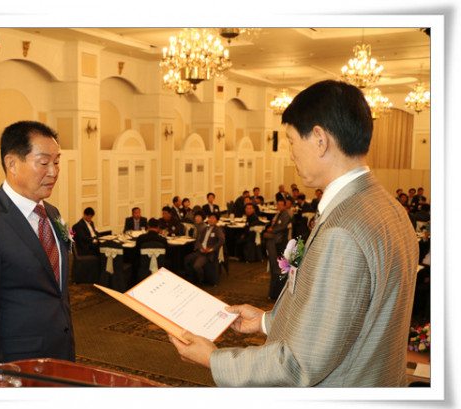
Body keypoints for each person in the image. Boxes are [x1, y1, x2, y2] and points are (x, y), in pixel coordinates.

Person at [168, 80, 418, 387]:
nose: (290, 154)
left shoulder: (342, 231)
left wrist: (213, 358)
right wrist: (265, 321)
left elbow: (300, 364)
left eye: (290, 140)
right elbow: (344, 317)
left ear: (320, 140)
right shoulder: (389, 207)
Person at [0, 121, 75, 366]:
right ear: (11, 163)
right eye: (44, 163)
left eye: (56, 162)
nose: (53, 172)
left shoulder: (53, 214)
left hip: (61, 352)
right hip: (18, 362)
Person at [184, 213, 225, 285]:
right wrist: (200, 249)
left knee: (197, 266)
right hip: (200, 251)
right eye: (210, 218)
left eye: (213, 218)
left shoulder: (217, 229)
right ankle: (192, 277)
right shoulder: (205, 229)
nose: (210, 220)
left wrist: (212, 249)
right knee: (186, 259)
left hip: (208, 253)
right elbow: (198, 241)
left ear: (217, 221)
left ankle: (201, 280)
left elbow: (222, 240)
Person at [263, 199, 292, 298]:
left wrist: (273, 230)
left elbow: (283, 227)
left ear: (285, 205)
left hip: (281, 241)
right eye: (278, 204)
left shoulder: (285, 215)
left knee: (279, 265)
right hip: (275, 241)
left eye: (281, 205)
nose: (279, 206)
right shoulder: (279, 214)